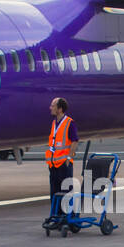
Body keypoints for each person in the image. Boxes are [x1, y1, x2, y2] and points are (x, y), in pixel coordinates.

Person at [45, 97, 77, 228]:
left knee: (66, 192)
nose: (50, 108)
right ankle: (56, 216)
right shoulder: (54, 123)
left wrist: (69, 158)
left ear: (60, 109)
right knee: (54, 192)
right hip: (53, 164)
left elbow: (74, 141)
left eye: (53, 106)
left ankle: (69, 216)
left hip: (64, 164)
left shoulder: (69, 123)